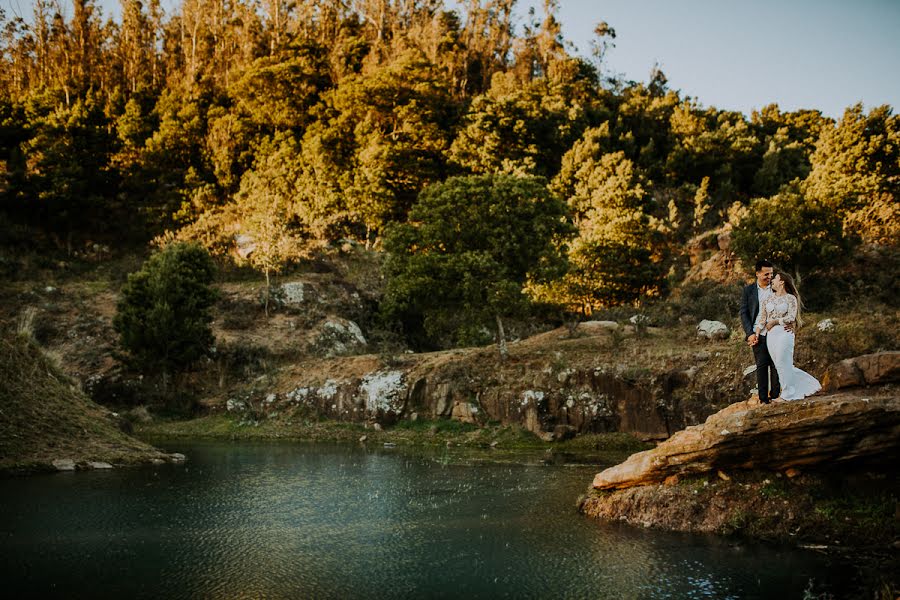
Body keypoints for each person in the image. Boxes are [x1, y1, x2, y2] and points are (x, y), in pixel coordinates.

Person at [755, 272, 821, 401]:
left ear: (782, 282)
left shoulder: (791, 298)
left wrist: (775, 322)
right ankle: (808, 385)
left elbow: (791, 317)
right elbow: (762, 319)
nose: (772, 280)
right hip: (771, 336)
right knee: (781, 365)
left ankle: (787, 394)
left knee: (781, 361)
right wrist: (757, 333)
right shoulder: (767, 299)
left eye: (775, 278)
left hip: (784, 333)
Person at [739, 259, 780, 404]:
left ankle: (776, 396)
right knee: (761, 365)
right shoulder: (748, 290)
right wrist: (750, 333)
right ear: (757, 273)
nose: (769, 277)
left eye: (771, 274)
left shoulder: (776, 288)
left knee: (776, 364)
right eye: (766, 274)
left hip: (776, 332)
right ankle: (764, 399)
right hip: (757, 335)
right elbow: (743, 313)